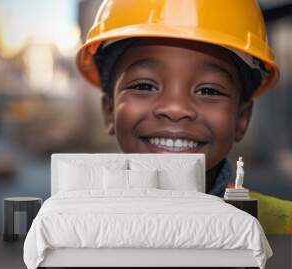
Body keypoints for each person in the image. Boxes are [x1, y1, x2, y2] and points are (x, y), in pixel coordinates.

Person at [75, 0, 279, 197]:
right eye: (144, 86)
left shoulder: (265, 226)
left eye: (208, 91)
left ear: (242, 118)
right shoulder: (76, 223)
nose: (175, 108)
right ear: (109, 110)